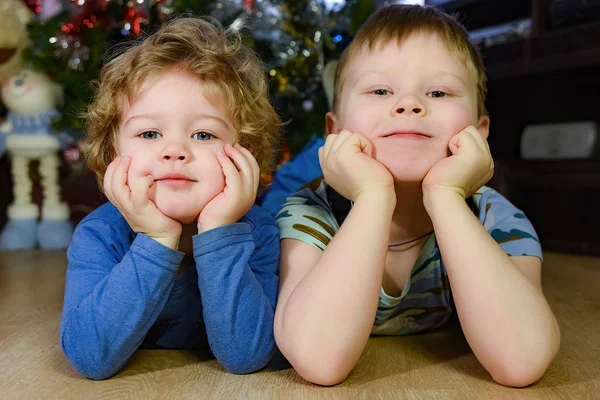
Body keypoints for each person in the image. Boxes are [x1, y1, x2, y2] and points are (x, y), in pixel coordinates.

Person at [274, 4, 560, 387]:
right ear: (335, 129)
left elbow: (522, 360)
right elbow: (318, 360)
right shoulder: (310, 212)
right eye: (379, 90)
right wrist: (374, 196)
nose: (409, 105)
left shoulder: (497, 218)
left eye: (439, 92)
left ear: (480, 131)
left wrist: (445, 195)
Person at [60, 17, 281, 380]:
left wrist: (218, 232)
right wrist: (157, 240)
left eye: (203, 134)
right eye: (149, 133)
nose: (174, 151)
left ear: (245, 152)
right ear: (112, 151)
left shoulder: (259, 232)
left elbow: (246, 356)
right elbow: (89, 357)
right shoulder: (100, 234)